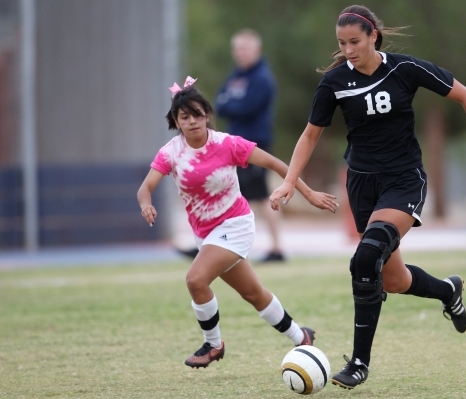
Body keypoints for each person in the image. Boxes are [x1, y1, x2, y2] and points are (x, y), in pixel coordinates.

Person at [269, 5, 466, 390]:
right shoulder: (335, 81)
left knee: (366, 259)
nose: (348, 50)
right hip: (362, 185)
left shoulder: (405, 69)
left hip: (404, 180)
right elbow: (310, 135)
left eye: (354, 42)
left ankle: (359, 363)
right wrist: (291, 181)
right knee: (392, 279)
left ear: (373, 35)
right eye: (341, 43)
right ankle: (448, 291)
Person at [137, 77, 338, 369]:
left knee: (195, 279)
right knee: (253, 293)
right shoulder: (171, 152)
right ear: (176, 121)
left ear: (207, 115)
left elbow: (276, 164)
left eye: (197, 114)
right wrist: (146, 204)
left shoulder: (228, 144)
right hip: (205, 234)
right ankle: (301, 336)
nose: (192, 121)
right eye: (184, 117)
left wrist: (306, 193)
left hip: (235, 225)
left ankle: (213, 344)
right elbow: (145, 188)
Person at [216, 28, 285, 263]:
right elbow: (220, 103)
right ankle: (218, 244)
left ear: (256, 50)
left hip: (255, 143)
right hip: (233, 144)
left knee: (261, 195)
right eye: (236, 49)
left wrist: (232, 104)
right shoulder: (236, 76)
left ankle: (276, 248)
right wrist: (233, 104)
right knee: (233, 194)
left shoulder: (262, 78)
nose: (240, 53)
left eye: (244, 48)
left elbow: (245, 108)